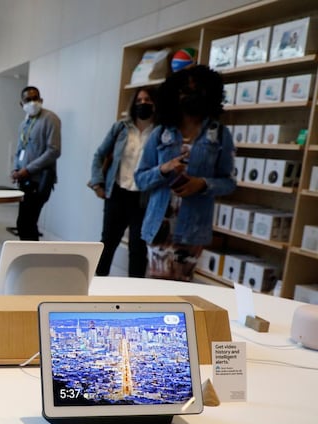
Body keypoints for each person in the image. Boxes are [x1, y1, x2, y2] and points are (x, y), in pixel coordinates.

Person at [134, 65, 236, 282]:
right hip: (158, 227)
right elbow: (140, 179)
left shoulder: (219, 135)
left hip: (193, 229)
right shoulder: (160, 133)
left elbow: (228, 182)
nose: (190, 96)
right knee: (153, 290)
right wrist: (164, 169)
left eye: (197, 90)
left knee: (181, 291)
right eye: (185, 90)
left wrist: (202, 184)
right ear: (174, 94)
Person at [89, 87, 156, 278]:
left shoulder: (160, 132)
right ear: (133, 103)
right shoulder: (121, 128)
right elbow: (99, 155)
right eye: (139, 100)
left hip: (143, 198)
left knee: (138, 249)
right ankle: (97, 288)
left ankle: (134, 296)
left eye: (148, 99)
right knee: (107, 244)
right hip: (118, 193)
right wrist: (97, 183)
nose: (143, 103)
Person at [10, 86, 61, 241]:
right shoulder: (24, 124)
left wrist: (28, 170)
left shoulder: (50, 119)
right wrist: (16, 169)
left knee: (28, 223)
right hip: (24, 180)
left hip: (40, 181)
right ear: (21, 104)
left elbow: (54, 151)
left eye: (35, 98)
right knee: (23, 223)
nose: (32, 102)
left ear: (41, 100)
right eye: (28, 100)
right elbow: (20, 150)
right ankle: (27, 259)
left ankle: (33, 261)